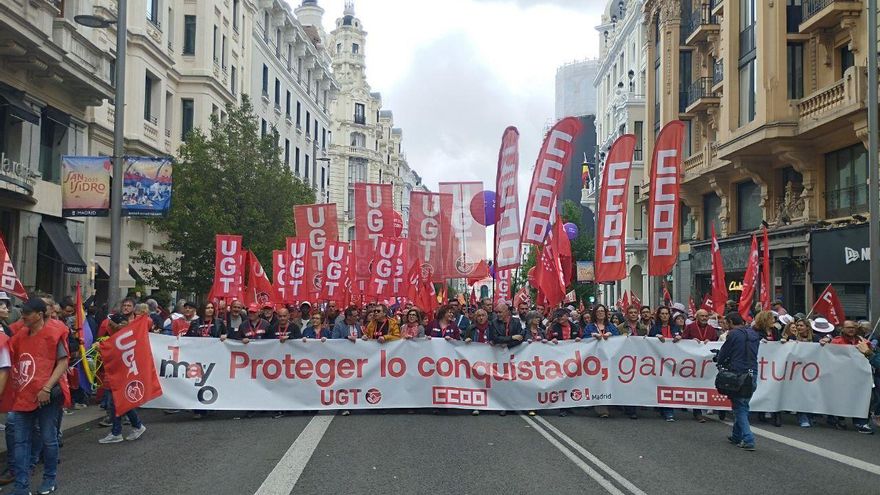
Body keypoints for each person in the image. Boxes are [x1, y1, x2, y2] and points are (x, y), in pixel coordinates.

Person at [9, 298, 72, 494]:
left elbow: (63, 362)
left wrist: (46, 388)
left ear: (39, 314)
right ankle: (21, 486)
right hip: (23, 395)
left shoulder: (54, 332)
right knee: (20, 441)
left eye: (27, 313)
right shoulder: (20, 335)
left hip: (48, 397)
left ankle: (49, 479)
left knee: (48, 438)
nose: (23, 316)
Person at [715, 312, 760, 451]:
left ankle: (748, 439)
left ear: (730, 322)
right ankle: (736, 435)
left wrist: (719, 359)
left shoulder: (733, 334)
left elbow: (724, 353)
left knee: (739, 407)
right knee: (743, 403)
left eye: (726, 323)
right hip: (752, 372)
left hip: (738, 373)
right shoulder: (753, 334)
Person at [823, 320, 873, 434]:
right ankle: (838, 419)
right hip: (840, 376)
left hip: (859, 377)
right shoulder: (836, 342)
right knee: (841, 397)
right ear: (843, 329)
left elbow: (869, 355)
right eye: (848, 327)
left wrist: (868, 349)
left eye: (853, 327)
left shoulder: (863, 342)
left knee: (862, 397)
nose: (851, 329)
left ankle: (861, 422)